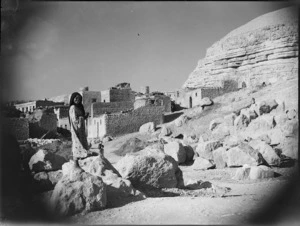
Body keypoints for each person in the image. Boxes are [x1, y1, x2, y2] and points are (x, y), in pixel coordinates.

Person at [68, 92, 93, 170]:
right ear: (72, 98)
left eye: (78, 98)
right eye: (75, 98)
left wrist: (84, 117)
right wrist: (82, 117)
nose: (77, 99)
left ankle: (81, 161)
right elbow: (74, 119)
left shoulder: (79, 107)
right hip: (76, 129)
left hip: (81, 128)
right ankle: (76, 164)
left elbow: (80, 117)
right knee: (77, 143)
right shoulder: (73, 107)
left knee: (82, 142)